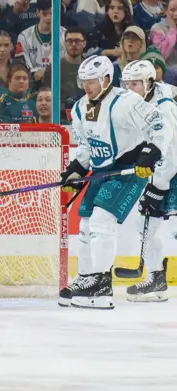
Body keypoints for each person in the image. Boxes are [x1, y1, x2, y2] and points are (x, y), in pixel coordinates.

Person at [58, 55, 168, 309]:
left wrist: (150, 153)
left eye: (92, 81)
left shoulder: (127, 101)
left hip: (129, 170)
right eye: (83, 81)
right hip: (101, 170)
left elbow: (159, 126)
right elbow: (85, 147)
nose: (87, 86)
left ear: (106, 79)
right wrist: (76, 169)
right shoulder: (79, 108)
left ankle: (101, 281)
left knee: (101, 222)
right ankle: (86, 277)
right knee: (85, 224)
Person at [120, 60, 177, 302]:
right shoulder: (144, 97)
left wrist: (158, 186)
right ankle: (156, 278)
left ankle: (156, 278)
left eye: (135, 83)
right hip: (167, 171)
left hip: (172, 170)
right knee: (145, 222)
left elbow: (171, 151)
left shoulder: (162, 108)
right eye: (127, 83)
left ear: (149, 83)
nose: (129, 88)